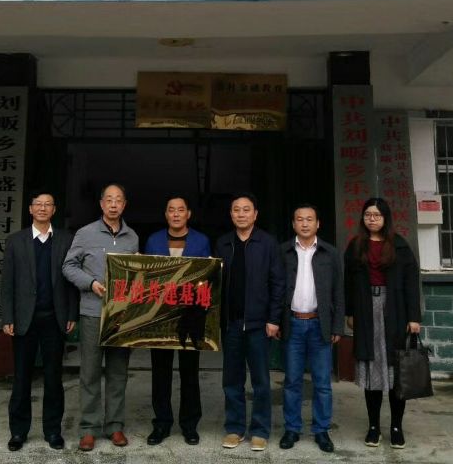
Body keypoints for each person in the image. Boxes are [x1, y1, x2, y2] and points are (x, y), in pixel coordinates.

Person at [62, 183, 140, 452]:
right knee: (90, 372)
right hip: (93, 312)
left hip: (122, 315)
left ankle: (115, 426)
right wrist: (91, 283)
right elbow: (68, 266)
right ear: (101, 204)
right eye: (109, 200)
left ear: (124, 205)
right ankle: (89, 428)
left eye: (118, 200)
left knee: (118, 372)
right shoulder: (85, 233)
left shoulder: (132, 237)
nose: (113, 204)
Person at [1, 189, 79, 452]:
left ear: (54, 210)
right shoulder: (16, 241)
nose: (43, 208)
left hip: (54, 319)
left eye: (48, 204)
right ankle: (18, 432)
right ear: (31, 209)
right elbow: (7, 282)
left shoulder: (66, 240)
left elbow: (71, 281)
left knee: (53, 378)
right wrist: (8, 316)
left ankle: (53, 431)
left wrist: (71, 314)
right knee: (22, 377)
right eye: (38, 204)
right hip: (24, 319)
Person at [344, 197, 421, 450]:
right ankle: (374, 427)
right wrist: (350, 312)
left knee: (396, 372)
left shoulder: (399, 246)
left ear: (385, 218)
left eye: (377, 215)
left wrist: (414, 317)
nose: (372, 219)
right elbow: (347, 282)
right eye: (368, 215)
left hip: (395, 312)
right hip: (366, 310)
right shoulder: (356, 246)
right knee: (372, 373)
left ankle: (396, 427)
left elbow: (411, 283)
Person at [214, 193, 285, 452]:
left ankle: (260, 430)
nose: (241, 214)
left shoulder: (267, 243)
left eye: (246, 210)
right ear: (231, 214)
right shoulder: (223, 243)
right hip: (231, 323)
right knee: (231, 380)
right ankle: (234, 428)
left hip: (259, 324)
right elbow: (212, 283)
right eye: (236, 210)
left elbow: (278, 283)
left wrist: (274, 319)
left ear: (255, 214)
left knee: (261, 381)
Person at [144, 195, 212, 446]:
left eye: (180, 210)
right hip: (159, 316)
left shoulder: (201, 241)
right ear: (165, 214)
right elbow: (146, 277)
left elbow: (207, 278)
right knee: (160, 373)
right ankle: (161, 423)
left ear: (188, 214)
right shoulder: (153, 240)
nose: (175, 214)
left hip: (191, 317)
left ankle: (189, 425)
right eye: (171, 210)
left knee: (190, 373)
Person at [278, 204, 344, 453]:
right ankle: (292, 428)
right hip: (293, 323)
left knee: (322, 382)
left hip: (320, 324)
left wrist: (337, 325)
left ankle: (321, 430)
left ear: (318, 224)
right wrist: (276, 321)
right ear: (293, 224)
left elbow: (339, 291)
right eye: (299, 219)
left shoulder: (330, 253)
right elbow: (275, 289)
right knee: (292, 381)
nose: (304, 224)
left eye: (309, 219)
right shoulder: (283, 251)